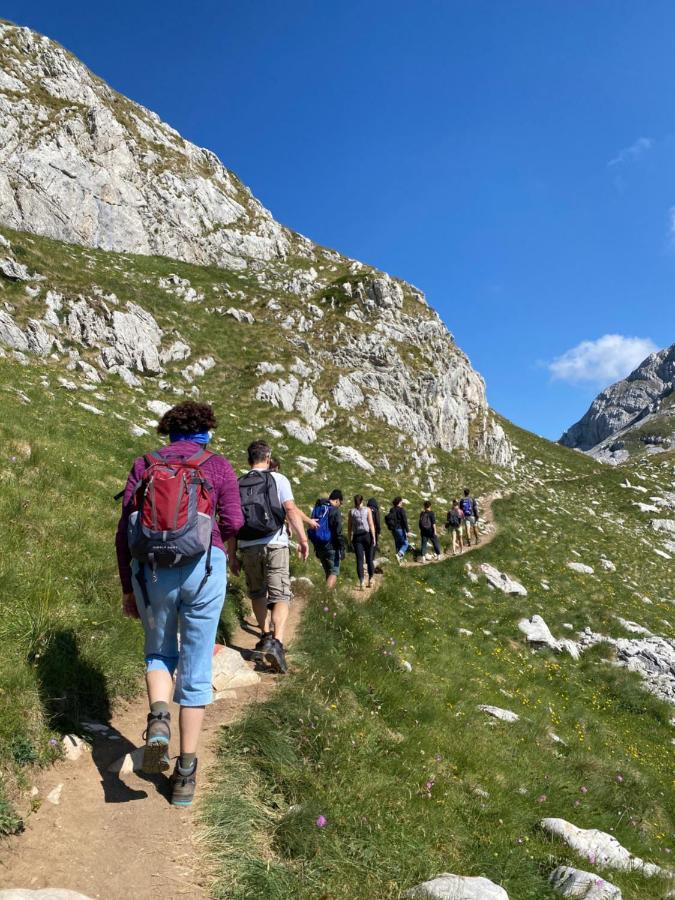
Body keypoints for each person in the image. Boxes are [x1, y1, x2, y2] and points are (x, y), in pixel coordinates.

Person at [116, 401, 244, 807]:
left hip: (152, 570)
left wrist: (127, 587)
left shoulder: (146, 463)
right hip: (205, 566)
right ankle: (185, 775)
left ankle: (158, 718)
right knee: (196, 661)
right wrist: (211, 535)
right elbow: (236, 521)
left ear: (168, 430)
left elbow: (125, 531)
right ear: (206, 429)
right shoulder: (217, 465)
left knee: (158, 651)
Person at [233, 441, 310, 674]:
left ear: (249, 460)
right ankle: (277, 642)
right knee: (280, 595)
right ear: (268, 458)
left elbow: (232, 520)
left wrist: (231, 554)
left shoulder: (238, 483)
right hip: (275, 542)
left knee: (257, 592)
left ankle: (265, 635)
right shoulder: (278, 479)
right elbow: (290, 509)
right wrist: (303, 540)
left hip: (247, 545)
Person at [308, 489, 344, 589]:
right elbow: (338, 531)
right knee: (334, 572)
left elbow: (311, 525)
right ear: (337, 500)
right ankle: (326, 596)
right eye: (340, 503)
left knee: (328, 573)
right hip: (331, 547)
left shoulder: (318, 507)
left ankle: (329, 599)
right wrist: (342, 547)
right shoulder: (335, 510)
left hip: (319, 547)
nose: (339, 506)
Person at [348, 495, 377, 589]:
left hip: (357, 538)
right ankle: (371, 580)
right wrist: (374, 537)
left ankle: (361, 582)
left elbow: (349, 528)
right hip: (367, 536)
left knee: (360, 560)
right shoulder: (367, 510)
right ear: (362, 501)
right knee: (369, 560)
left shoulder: (351, 512)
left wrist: (349, 540)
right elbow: (371, 524)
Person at [386, 496, 410, 564]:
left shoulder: (392, 509)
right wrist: (407, 531)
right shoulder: (401, 510)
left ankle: (398, 561)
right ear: (399, 502)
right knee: (405, 543)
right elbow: (404, 520)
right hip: (400, 529)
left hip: (393, 529)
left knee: (398, 544)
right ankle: (399, 555)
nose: (402, 502)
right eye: (401, 501)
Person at [366, 497, 381, 572]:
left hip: (365, 530)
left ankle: (366, 559)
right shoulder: (375, 510)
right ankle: (371, 560)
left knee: (367, 545)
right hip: (373, 530)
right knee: (373, 545)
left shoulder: (366, 509)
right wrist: (378, 530)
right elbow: (377, 521)